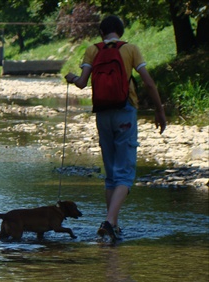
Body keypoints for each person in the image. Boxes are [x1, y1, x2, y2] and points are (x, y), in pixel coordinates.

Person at [65, 15, 167, 242]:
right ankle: (110, 222)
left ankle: (114, 226)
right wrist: (159, 111)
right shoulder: (131, 49)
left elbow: (82, 83)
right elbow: (148, 82)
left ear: (101, 32)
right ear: (120, 31)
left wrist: (71, 78)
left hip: (102, 113)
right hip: (125, 111)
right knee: (125, 174)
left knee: (111, 173)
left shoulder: (93, 50)